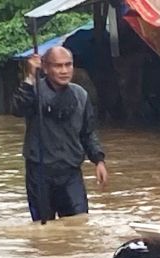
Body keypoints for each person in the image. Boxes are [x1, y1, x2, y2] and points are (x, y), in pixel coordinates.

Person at [11, 46, 108, 222]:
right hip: (40, 171)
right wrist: (31, 76)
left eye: (68, 65)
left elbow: (88, 132)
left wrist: (98, 160)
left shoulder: (81, 95)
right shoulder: (34, 91)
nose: (64, 71)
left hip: (70, 170)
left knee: (79, 222)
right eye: (58, 66)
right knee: (44, 226)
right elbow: (18, 109)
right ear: (45, 68)